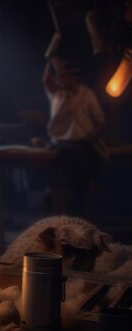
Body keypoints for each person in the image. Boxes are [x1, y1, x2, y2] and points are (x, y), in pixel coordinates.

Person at [42, 58, 105, 217]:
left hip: (81, 143)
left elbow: (99, 120)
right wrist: (51, 60)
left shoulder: (86, 94)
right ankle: (64, 205)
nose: (60, 80)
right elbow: (47, 80)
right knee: (63, 161)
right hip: (60, 143)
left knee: (84, 164)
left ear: (74, 77)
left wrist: (91, 135)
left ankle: (79, 206)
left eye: (64, 77)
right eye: (60, 77)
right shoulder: (57, 93)